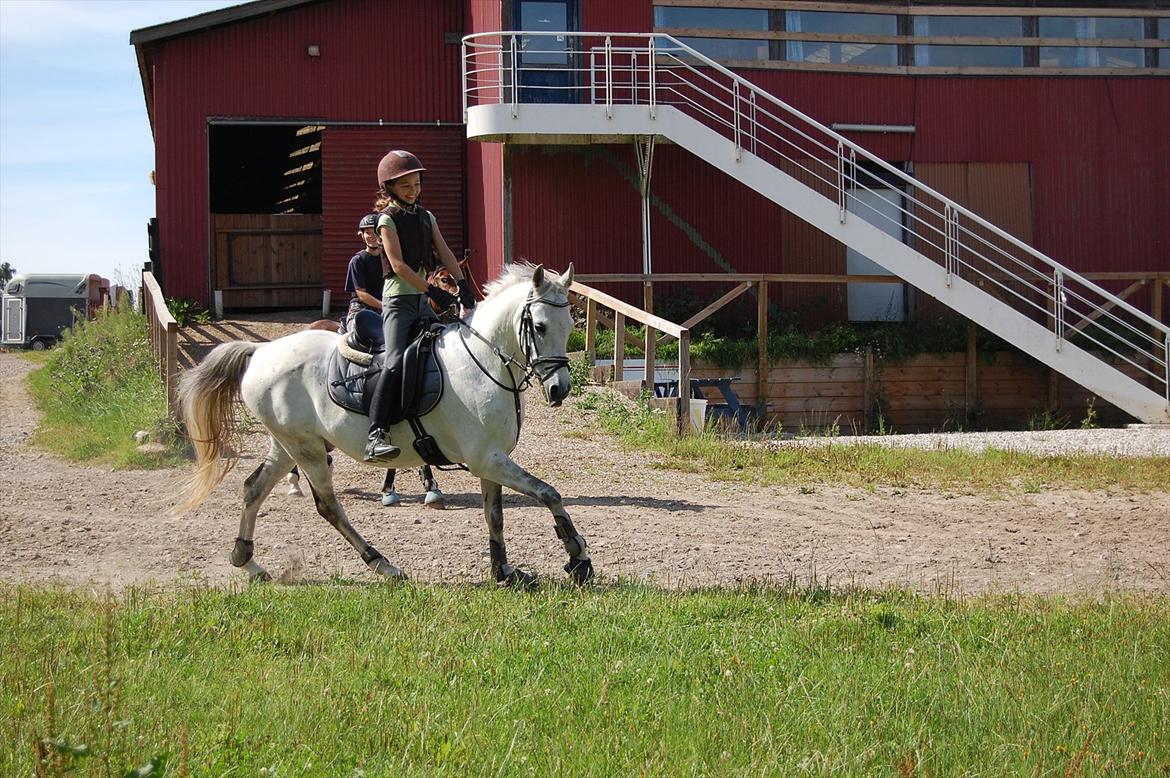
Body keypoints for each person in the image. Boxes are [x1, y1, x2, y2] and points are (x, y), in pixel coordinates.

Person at [364, 150, 476, 462]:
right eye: (405, 186)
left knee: (448, 350)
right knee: (395, 360)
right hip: (399, 301)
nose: (413, 191)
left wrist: (463, 286)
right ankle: (376, 434)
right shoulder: (386, 220)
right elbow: (398, 266)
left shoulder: (427, 217)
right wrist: (432, 291)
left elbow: (445, 253)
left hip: (422, 298)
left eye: (416, 184)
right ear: (389, 190)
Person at [343, 213, 385, 331]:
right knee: (361, 332)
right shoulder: (358, 261)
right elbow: (362, 295)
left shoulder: (388, 259)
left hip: (385, 307)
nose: (372, 236)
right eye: (368, 233)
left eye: (375, 232)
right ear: (362, 235)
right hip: (361, 308)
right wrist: (384, 306)